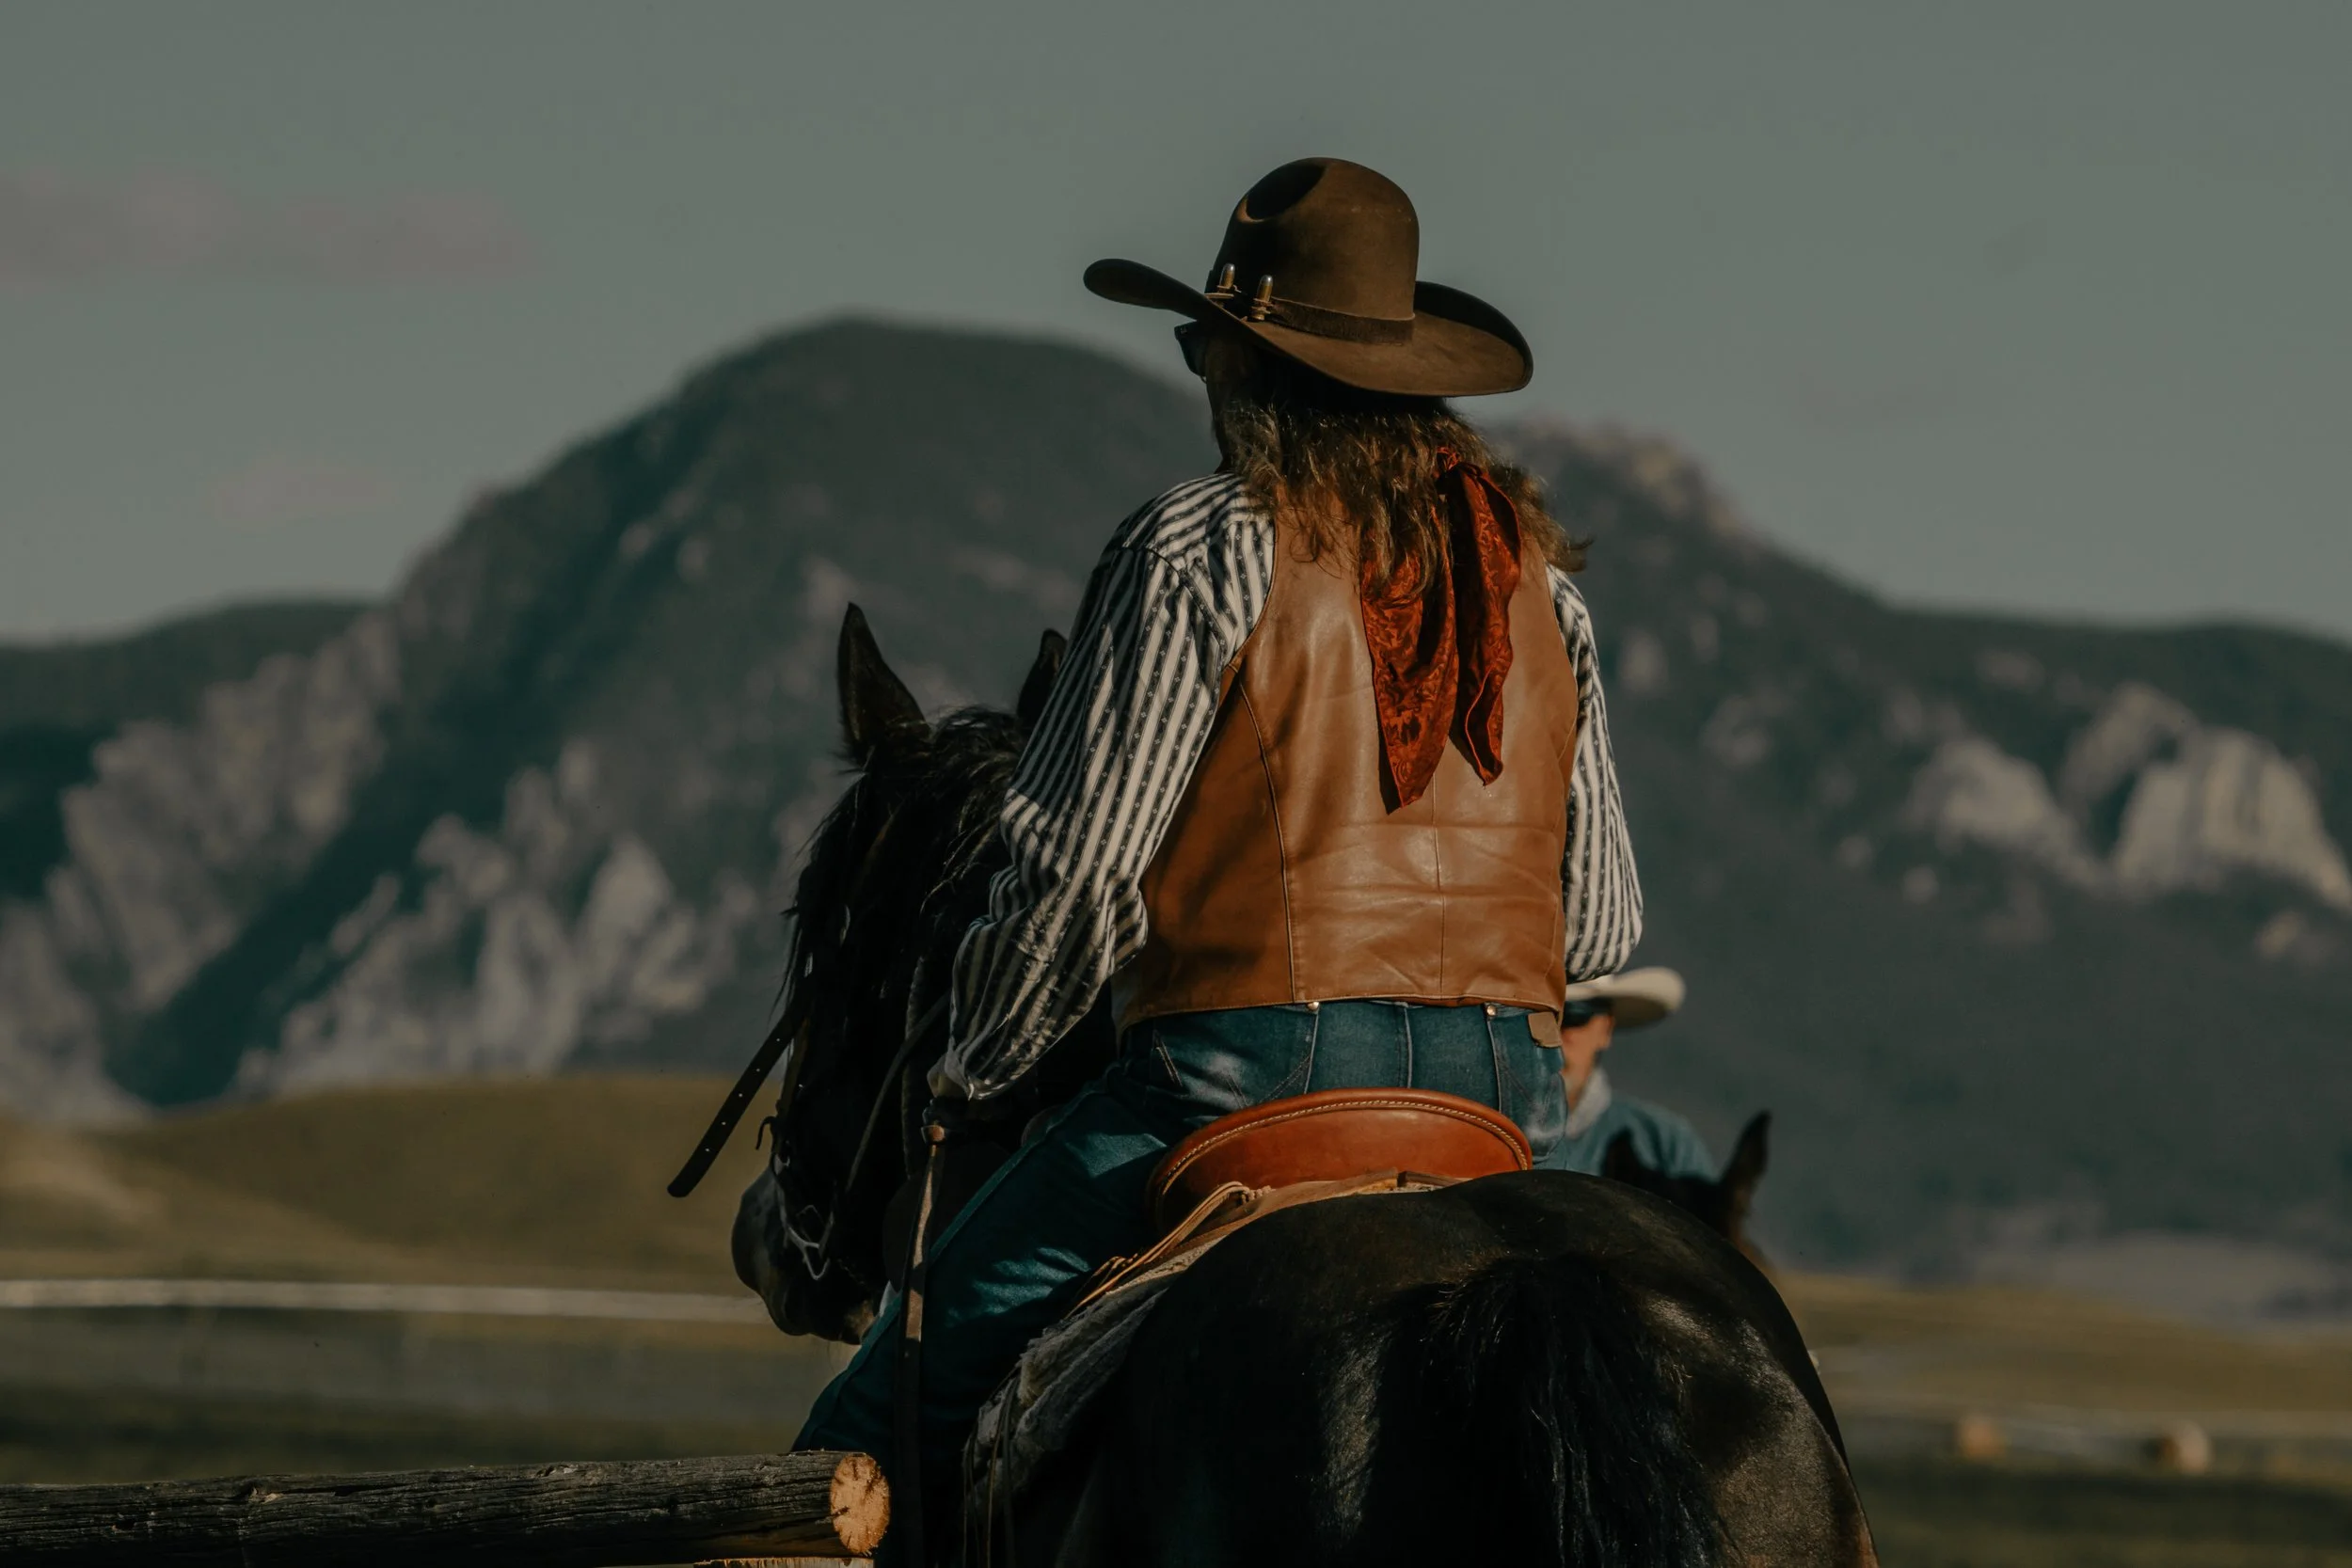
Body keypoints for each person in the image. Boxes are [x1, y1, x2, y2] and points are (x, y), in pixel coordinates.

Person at [794, 158, 1643, 1543]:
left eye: (1206, 345)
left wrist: (976, 1062)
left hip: (1236, 1087)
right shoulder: (1543, 590)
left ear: (1245, 365)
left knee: (853, 1446)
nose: (1200, 372)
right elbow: (1601, 925)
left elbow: (1074, 874)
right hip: (1505, 1104)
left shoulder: (1199, 542)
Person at [1537, 966, 1715, 1179]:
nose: (1554, 1035)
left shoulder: (1667, 1147)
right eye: (1540, 1018)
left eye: (1574, 1017)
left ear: (1606, 1028)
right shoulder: (1491, 1132)